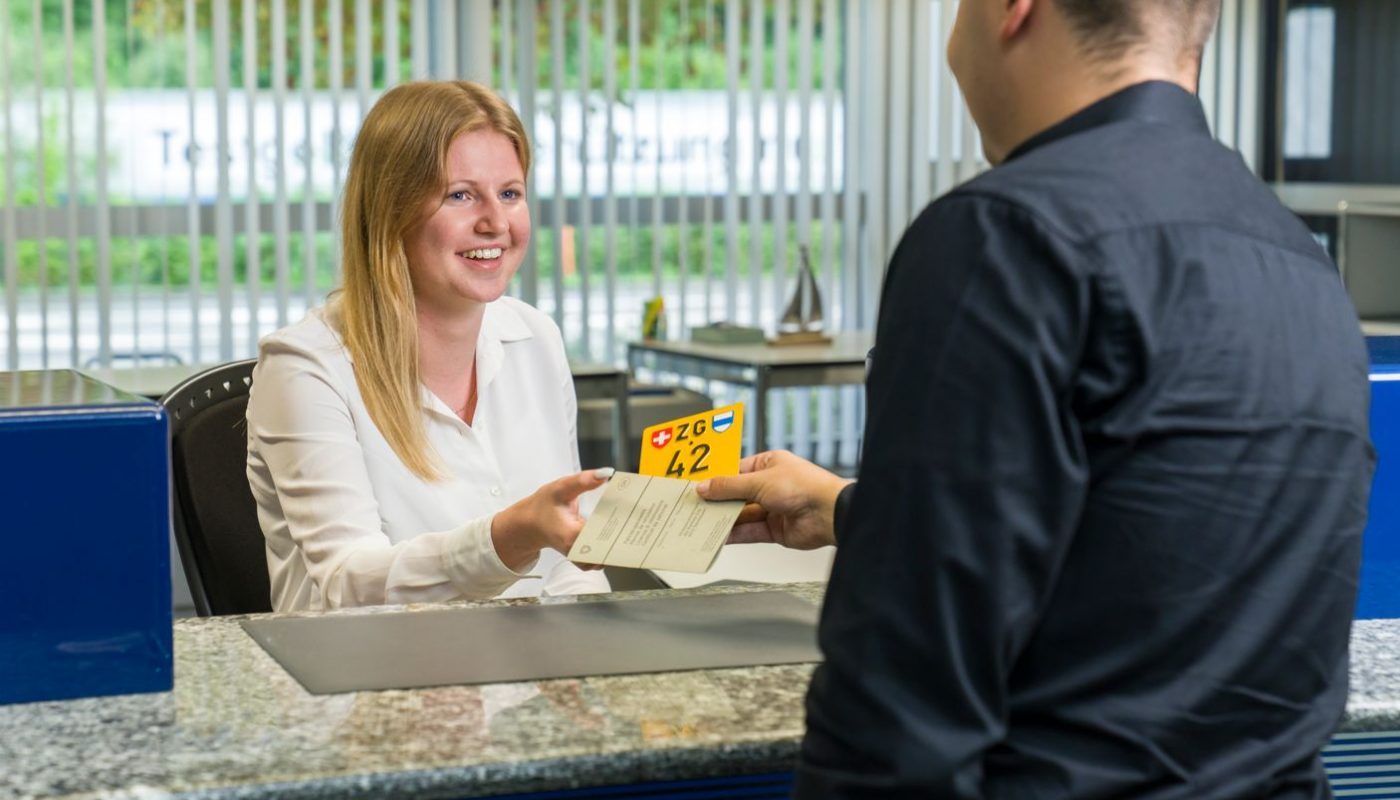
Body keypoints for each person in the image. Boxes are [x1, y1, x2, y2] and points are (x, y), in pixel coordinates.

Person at [697, 0, 1375, 796]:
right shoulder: (1300, 261)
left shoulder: (1005, 235)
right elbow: (1149, 555)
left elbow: (897, 711)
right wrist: (851, 509)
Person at [246, 81, 610, 613]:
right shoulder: (306, 367)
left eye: (510, 193)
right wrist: (511, 536)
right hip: (370, 681)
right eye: (460, 195)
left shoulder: (536, 338)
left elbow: (569, 572)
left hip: (528, 677)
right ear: (393, 209)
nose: (495, 222)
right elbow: (350, 582)